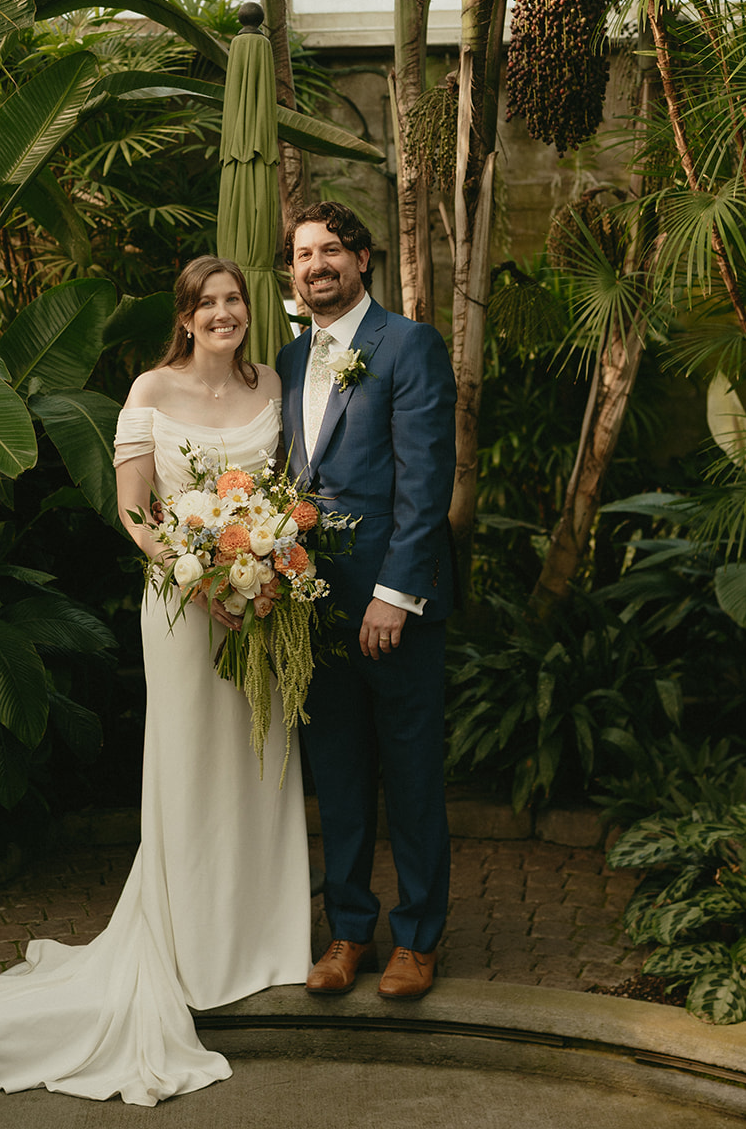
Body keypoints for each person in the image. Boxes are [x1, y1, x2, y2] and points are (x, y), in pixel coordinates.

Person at [0, 257, 311, 1107]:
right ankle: (192, 952)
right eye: (206, 304)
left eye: (234, 301)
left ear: (247, 313)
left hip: (262, 605)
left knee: (263, 763)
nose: (222, 314)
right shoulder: (147, 389)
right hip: (185, 610)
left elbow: (283, 493)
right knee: (191, 772)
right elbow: (135, 514)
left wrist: (263, 567)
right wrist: (202, 576)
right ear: (183, 318)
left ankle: (264, 943)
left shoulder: (271, 390)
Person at [276, 201, 456, 1000]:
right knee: (338, 774)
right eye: (301, 254)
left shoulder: (408, 344)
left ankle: (417, 939)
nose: (315, 264)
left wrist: (394, 592)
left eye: (329, 250)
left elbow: (425, 480)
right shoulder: (284, 360)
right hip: (311, 602)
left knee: (411, 774)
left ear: (361, 257)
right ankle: (348, 931)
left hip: (392, 603)